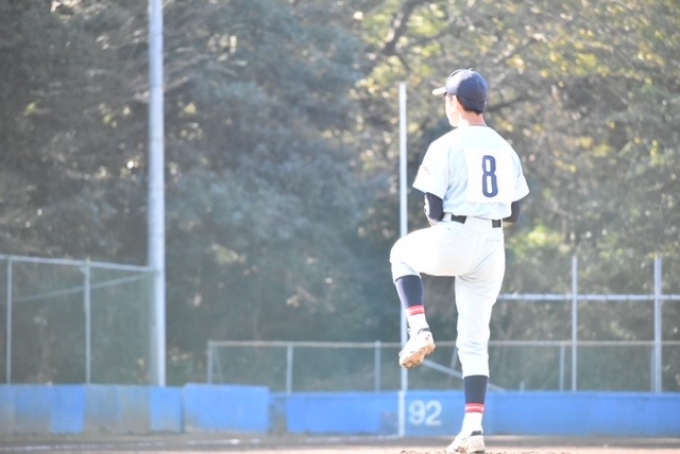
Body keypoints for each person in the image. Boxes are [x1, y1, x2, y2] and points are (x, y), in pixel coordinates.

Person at [389, 68, 529, 453]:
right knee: (475, 342)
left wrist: (448, 228)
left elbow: (433, 208)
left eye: (446, 99)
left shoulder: (446, 144)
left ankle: (419, 329)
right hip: (493, 245)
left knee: (401, 254)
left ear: (455, 101)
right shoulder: (505, 147)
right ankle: (472, 430)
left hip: (458, 233)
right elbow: (515, 212)